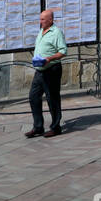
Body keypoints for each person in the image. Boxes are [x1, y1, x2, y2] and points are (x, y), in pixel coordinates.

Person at [26, 8, 67, 138]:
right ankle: (38, 127)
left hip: (52, 70)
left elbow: (63, 51)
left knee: (52, 99)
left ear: (50, 20)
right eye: (40, 19)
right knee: (33, 97)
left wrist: (49, 58)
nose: (40, 21)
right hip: (40, 70)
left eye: (43, 19)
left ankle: (55, 127)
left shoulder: (56, 32)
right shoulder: (42, 30)